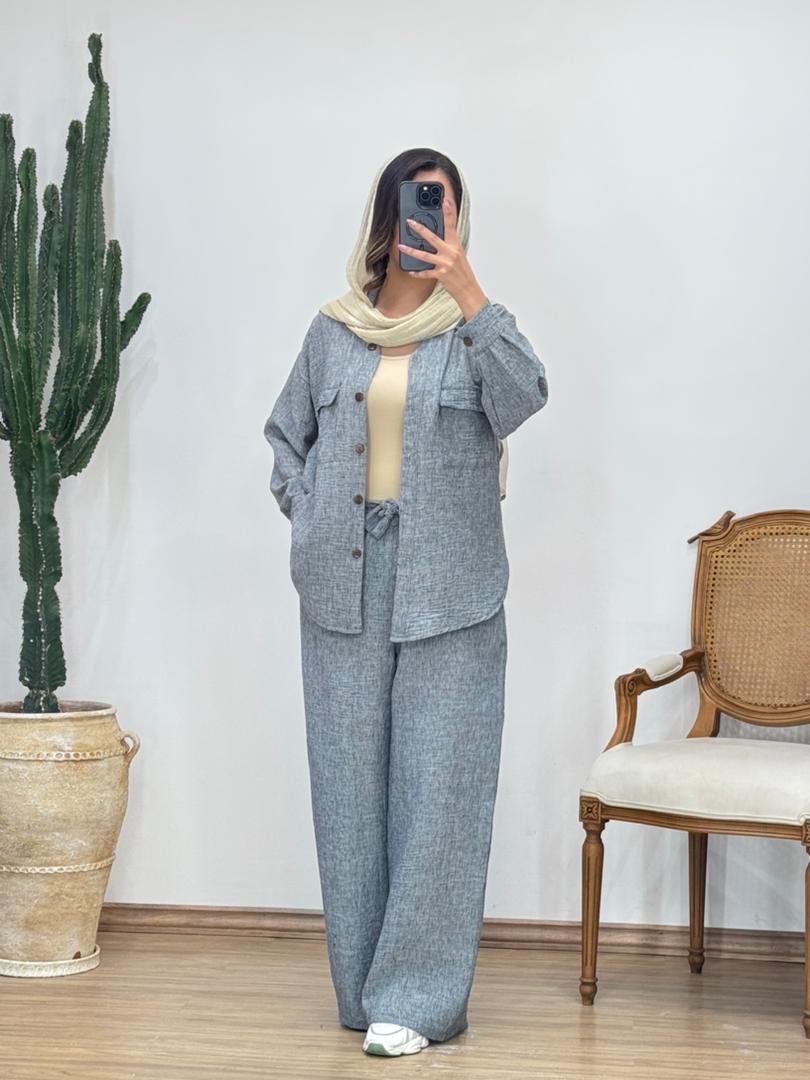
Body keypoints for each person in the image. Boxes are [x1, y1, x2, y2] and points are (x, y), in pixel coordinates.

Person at [264, 147, 548, 1057]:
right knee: (349, 794)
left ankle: (418, 1002)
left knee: (440, 795)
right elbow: (286, 438)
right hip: (341, 583)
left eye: (444, 208)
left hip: (453, 590)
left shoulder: (473, 330)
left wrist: (469, 291)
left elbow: (526, 398)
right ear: (385, 219)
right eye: (417, 206)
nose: (429, 223)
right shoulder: (332, 331)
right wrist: (310, 517)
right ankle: (365, 993)